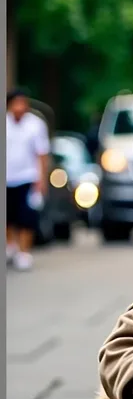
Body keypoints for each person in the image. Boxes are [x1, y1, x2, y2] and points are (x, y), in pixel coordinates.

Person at [6, 88, 50, 271]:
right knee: (8, 215)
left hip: (27, 177)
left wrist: (41, 180)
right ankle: (10, 246)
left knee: (26, 216)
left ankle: (24, 251)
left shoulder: (35, 124)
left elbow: (41, 153)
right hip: (7, 177)